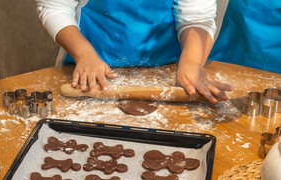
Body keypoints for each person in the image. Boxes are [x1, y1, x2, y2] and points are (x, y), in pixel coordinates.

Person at [36, 0, 233, 104]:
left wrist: (192, 62)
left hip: (169, 73)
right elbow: (55, 7)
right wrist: (84, 54)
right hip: (89, 69)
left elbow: (196, 17)